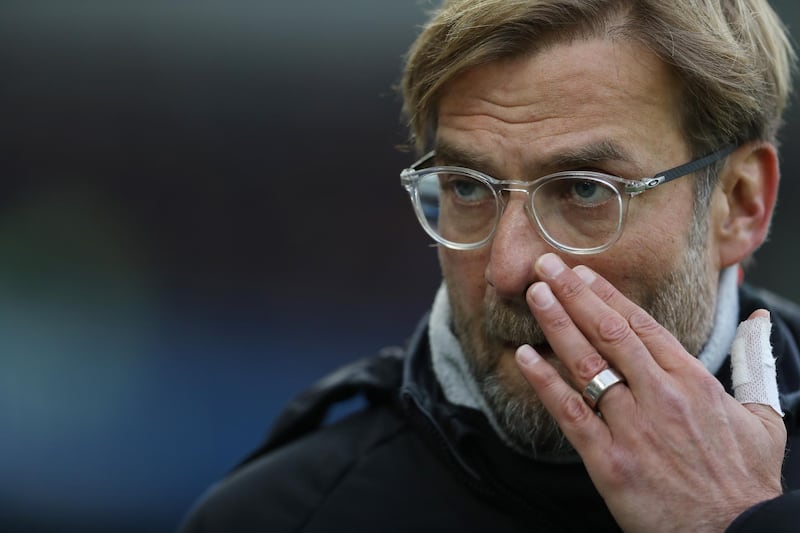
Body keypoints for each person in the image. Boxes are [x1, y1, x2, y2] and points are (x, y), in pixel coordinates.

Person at [180, 0, 800, 531]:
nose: (507, 269)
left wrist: (737, 522)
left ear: (740, 203)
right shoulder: (279, 517)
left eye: (585, 190)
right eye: (467, 188)